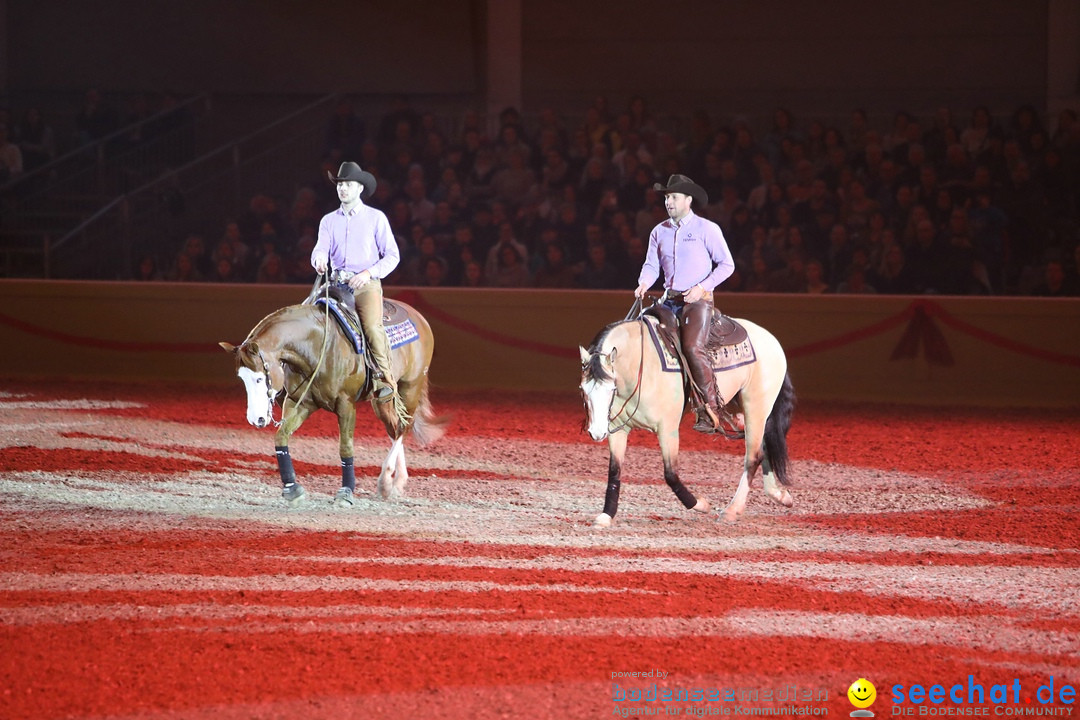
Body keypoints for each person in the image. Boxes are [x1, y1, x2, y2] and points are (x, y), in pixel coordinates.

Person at [635, 174, 735, 433]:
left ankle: (710, 408)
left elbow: (727, 265)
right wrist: (644, 282)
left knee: (691, 346)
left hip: (697, 302)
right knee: (641, 333)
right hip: (669, 300)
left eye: (673, 197)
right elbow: (651, 265)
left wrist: (702, 288)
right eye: (667, 197)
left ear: (688, 200)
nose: (668, 202)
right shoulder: (659, 231)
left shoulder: (707, 229)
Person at [311, 161, 401, 404]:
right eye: (340, 184)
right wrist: (319, 259)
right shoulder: (328, 221)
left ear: (360, 188)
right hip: (335, 284)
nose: (343, 189)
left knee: (372, 326)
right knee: (308, 317)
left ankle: (384, 378)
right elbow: (320, 248)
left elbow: (393, 255)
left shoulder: (376, 218)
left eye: (348, 185)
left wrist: (369, 273)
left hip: (365, 285)